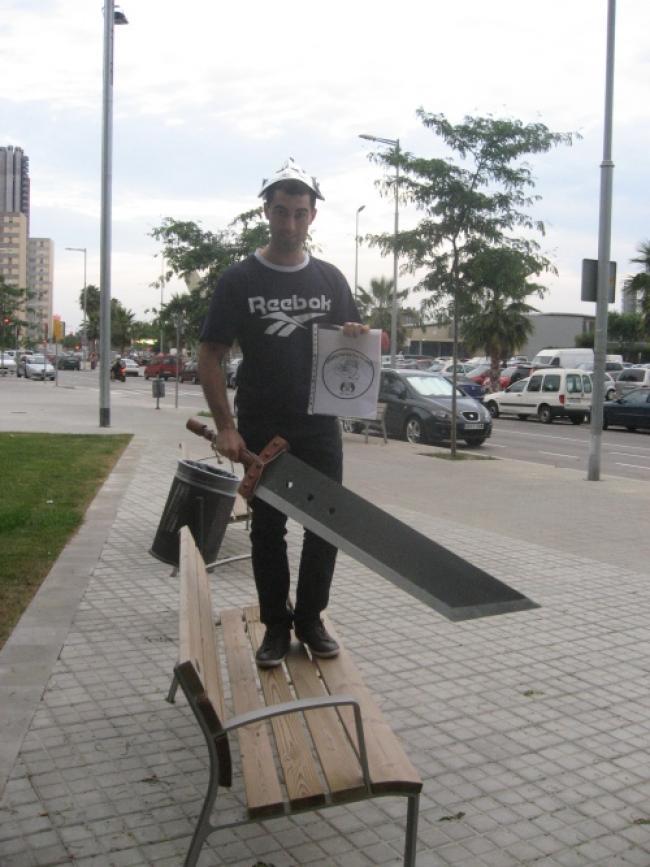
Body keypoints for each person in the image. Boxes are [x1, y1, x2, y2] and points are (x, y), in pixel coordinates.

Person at [198, 158, 368, 668]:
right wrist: (227, 427)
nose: (289, 223)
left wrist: (359, 337)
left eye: (299, 212)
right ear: (265, 212)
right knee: (268, 529)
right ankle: (275, 624)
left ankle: (310, 618)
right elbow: (210, 354)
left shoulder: (331, 279)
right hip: (261, 427)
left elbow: (352, 346)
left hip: (319, 426)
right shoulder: (239, 279)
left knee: (326, 527)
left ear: (312, 215)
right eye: (280, 212)